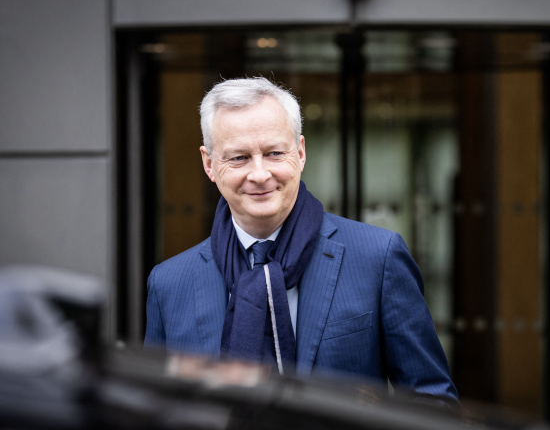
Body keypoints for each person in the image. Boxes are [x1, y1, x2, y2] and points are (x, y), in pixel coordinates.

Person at [144, 77, 458, 402]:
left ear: (301, 152)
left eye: (274, 153)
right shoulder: (169, 284)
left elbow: (432, 402)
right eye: (238, 158)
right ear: (209, 164)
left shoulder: (378, 258)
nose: (260, 174)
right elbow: (153, 409)